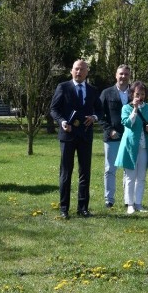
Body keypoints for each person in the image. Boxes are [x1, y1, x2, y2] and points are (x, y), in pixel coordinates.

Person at [50, 59, 102, 219]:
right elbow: (54, 109)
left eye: (82, 69)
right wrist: (62, 122)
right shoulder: (63, 87)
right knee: (66, 172)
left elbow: (100, 111)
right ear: (71, 71)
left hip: (85, 136)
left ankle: (83, 207)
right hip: (68, 135)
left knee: (84, 172)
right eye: (76, 69)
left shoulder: (92, 90)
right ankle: (64, 208)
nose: (78, 72)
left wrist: (94, 117)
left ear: (87, 72)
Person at [115, 80, 148, 214]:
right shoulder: (126, 108)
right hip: (130, 146)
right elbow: (127, 123)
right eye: (137, 94)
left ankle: (138, 203)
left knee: (141, 177)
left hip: (144, 146)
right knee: (130, 177)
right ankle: (130, 204)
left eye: (142, 94)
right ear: (132, 94)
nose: (140, 97)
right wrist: (134, 109)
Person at [99, 64, 131, 209]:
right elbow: (99, 114)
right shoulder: (106, 93)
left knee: (128, 169)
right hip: (112, 136)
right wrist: (109, 129)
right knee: (110, 169)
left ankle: (127, 199)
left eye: (126, 74)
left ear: (129, 76)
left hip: (130, 137)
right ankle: (109, 199)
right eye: (121, 74)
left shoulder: (134, 93)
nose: (123, 77)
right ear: (116, 75)